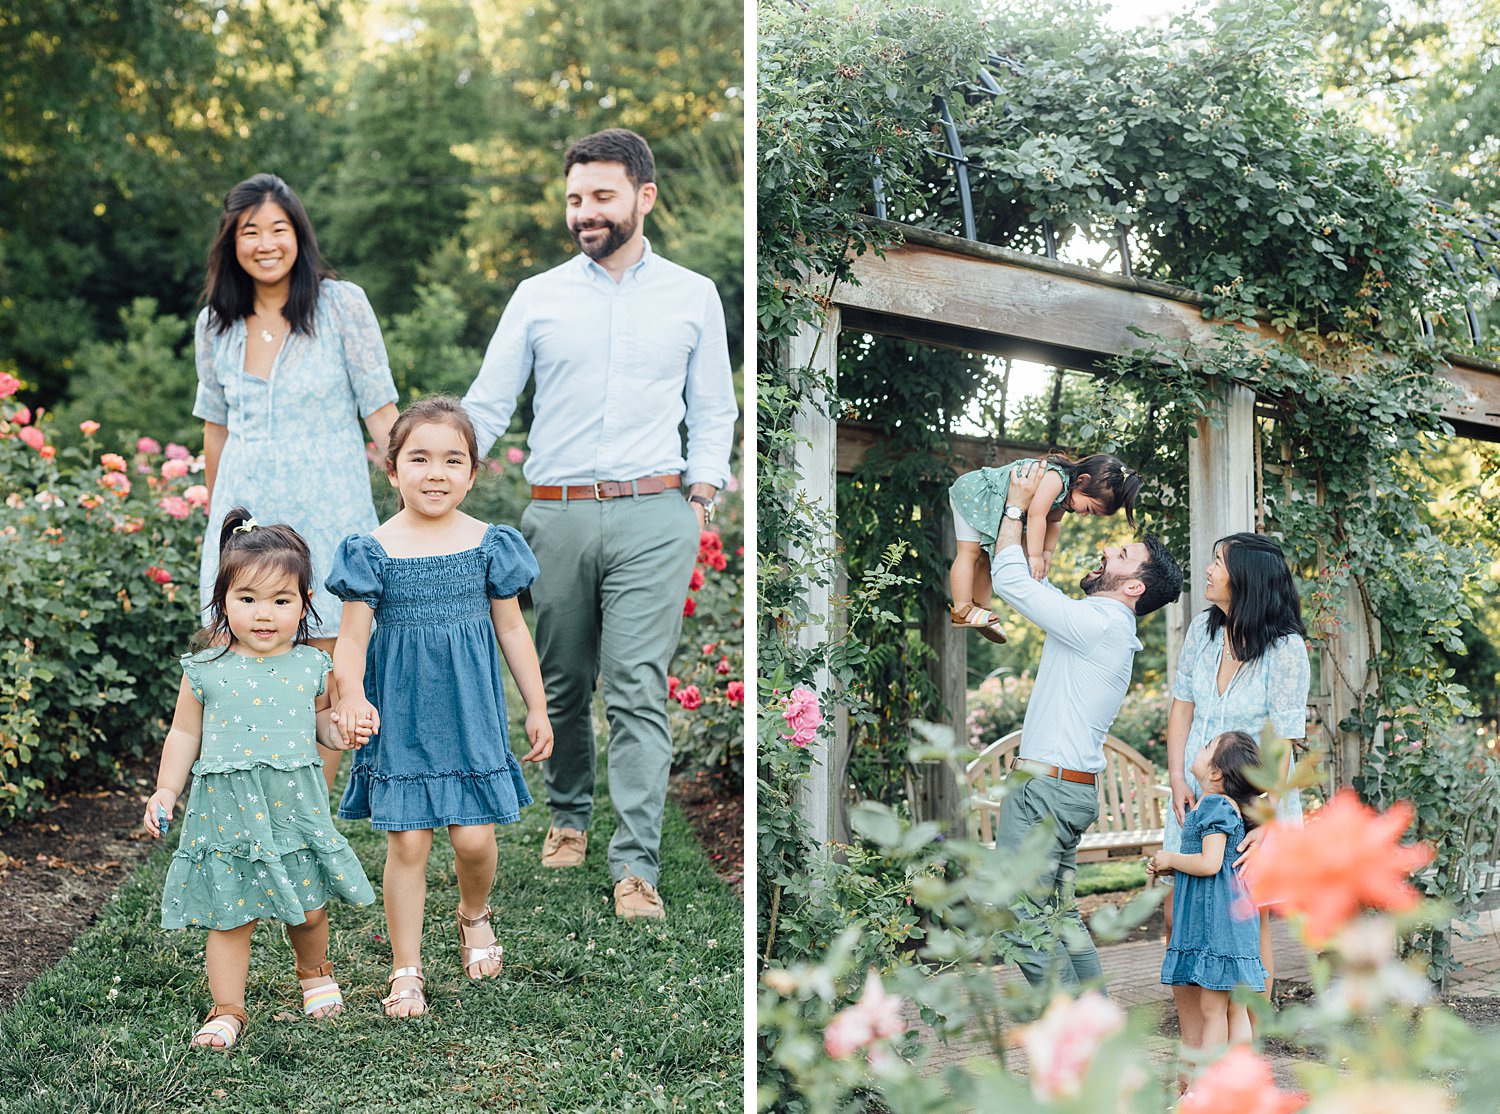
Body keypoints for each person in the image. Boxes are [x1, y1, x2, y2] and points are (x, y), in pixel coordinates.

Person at [462, 128, 738, 921]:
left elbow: (713, 407)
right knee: (561, 679)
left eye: (602, 197)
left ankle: (635, 867)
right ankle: (569, 813)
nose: (585, 212)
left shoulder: (692, 293)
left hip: (657, 513)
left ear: (644, 197)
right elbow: (488, 400)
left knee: (637, 689)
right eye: (576, 198)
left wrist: (700, 496)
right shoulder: (537, 295)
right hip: (557, 515)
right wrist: (439, 461)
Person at [327, 397, 553, 1018]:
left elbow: (511, 630)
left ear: (473, 473)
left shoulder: (489, 544)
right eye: (419, 458)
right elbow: (350, 638)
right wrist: (351, 695)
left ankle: (473, 913)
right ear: (393, 470)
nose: (436, 472)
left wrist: (536, 706)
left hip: (469, 714)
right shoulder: (372, 550)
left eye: (453, 460)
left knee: (476, 839)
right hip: (399, 714)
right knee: (409, 844)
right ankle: (406, 970)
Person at [193, 172, 400, 796]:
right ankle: (249, 805)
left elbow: (382, 413)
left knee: (325, 669)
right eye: (249, 231)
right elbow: (214, 432)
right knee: (240, 661)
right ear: (232, 242)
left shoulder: (342, 306)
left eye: (277, 228)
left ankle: (304, 821)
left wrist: (418, 493)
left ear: (298, 236)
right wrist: (218, 525)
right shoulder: (215, 325)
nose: (264, 242)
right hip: (247, 518)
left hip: (329, 512)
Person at [143, 510, 375, 1049]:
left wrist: (343, 733)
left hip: (294, 807)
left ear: (305, 602)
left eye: (281, 600)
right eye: (247, 599)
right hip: (227, 811)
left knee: (309, 905)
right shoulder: (205, 669)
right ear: (223, 600)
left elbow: (321, 724)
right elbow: (183, 735)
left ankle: (314, 971)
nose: (264, 614)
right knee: (229, 915)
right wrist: (165, 788)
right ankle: (228, 1007)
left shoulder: (312, 667)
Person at [987, 460, 1183, 988]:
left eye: (1121, 555)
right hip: (1064, 788)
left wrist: (1015, 502)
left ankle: (1068, 1048)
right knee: (1060, 916)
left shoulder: (1100, 623)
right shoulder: (1103, 626)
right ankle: (1094, 1033)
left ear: (1134, 588)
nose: (1106, 549)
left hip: (1046, 792)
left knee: (1022, 919)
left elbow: (1006, 578)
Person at [1163, 532, 1308, 1043]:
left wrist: (1266, 819)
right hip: (1195, 797)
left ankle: (1247, 1056)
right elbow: (1182, 705)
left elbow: (1284, 741)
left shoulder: (1286, 648)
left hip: (1256, 805)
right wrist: (1178, 776)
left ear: (1245, 577)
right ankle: (1194, 1057)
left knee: (1249, 921)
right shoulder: (1202, 632)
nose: (1207, 569)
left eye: (1217, 561)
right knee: (1177, 914)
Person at [1151, 730, 1268, 1058]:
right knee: (1235, 1010)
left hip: (1219, 924)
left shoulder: (1215, 806)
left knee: (1213, 1009)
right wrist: (1173, 867)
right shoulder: (1222, 806)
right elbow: (1216, 861)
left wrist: (1170, 857)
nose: (1199, 747)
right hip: (1230, 918)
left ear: (1216, 772)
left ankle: (1205, 1089)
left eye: (1206, 747)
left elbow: (1210, 863)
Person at [948, 453, 1141, 643]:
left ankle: (982, 608)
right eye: (1089, 509)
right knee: (969, 552)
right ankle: (962, 608)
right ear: (1082, 481)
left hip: (990, 504)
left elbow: (1054, 522)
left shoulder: (1066, 497)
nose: (1083, 515)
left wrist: (1047, 552)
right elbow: (1036, 515)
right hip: (974, 494)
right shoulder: (1055, 479)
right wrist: (1035, 556)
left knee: (984, 558)